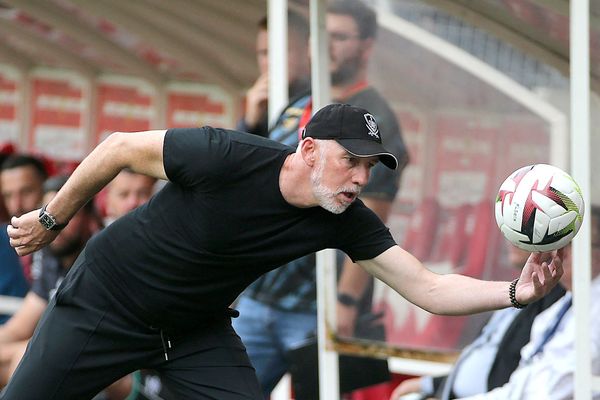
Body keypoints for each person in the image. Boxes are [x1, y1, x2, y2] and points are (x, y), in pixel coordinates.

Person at [3, 103, 562, 400]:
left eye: (371, 167)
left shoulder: (346, 217)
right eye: (353, 160)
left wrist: (518, 292)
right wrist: (54, 218)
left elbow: (428, 288)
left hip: (193, 332)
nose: (361, 178)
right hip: (106, 304)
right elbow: (118, 148)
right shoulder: (224, 155)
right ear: (309, 148)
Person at [233, 0, 408, 395]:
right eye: (322, 35)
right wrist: (251, 122)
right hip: (258, 293)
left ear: (366, 47)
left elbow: (373, 218)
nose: (327, 46)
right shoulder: (300, 100)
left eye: (340, 37)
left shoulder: (375, 115)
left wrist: (345, 302)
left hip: (315, 308)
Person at [454, 205, 600, 400]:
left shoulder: (591, 307)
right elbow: (522, 383)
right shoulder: (563, 305)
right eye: (559, 241)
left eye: (572, 243)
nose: (560, 251)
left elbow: (551, 391)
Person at [389, 245, 566, 400]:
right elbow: (479, 359)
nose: (511, 241)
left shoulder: (552, 301)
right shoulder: (512, 295)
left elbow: (432, 290)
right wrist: (431, 384)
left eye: (526, 235)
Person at [0, 175, 100, 387]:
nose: (56, 225)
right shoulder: (51, 258)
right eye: (49, 215)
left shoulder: (100, 259)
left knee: (22, 358)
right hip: (56, 359)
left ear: (90, 218)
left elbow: (76, 343)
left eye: (68, 214)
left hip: (109, 370)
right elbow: (18, 328)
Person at [236, 9, 310, 137]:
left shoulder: (321, 96)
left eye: (281, 51)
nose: (272, 61)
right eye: (264, 53)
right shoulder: (262, 107)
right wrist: (249, 124)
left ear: (307, 51)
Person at [0, 155, 47, 282]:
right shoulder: (3, 239)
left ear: (46, 188)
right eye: (8, 195)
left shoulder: (68, 238)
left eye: (26, 192)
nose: (17, 205)